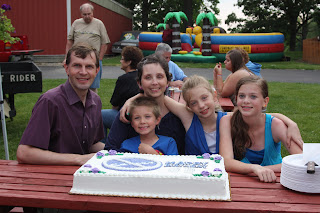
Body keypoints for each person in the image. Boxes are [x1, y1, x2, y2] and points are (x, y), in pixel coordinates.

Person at [17, 43, 105, 166]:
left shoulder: (96, 101)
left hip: (83, 175)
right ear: (66, 68)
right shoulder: (50, 101)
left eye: (89, 67)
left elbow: (92, 144)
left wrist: (117, 153)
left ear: (97, 71)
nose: (83, 72)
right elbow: (24, 153)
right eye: (77, 66)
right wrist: (78, 159)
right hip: (52, 176)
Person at [219, 76, 303, 183]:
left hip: (275, 184)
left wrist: (264, 170)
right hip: (240, 185)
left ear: (265, 101)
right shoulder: (227, 122)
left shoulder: (275, 125)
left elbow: (301, 160)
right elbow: (226, 161)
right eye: (241, 96)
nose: (246, 101)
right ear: (236, 99)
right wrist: (254, 168)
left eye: (253, 96)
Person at [105, 54, 186, 155]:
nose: (154, 82)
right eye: (148, 77)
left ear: (168, 82)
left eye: (159, 76)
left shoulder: (177, 117)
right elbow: (110, 149)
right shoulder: (129, 112)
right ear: (139, 83)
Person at [164, 75, 227, 155]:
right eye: (194, 103)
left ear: (214, 96)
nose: (201, 105)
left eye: (204, 98)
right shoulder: (189, 120)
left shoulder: (227, 119)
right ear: (189, 107)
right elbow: (162, 98)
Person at [100, 46, 143, 142]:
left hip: (126, 117)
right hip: (140, 115)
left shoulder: (123, 79)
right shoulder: (141, 76)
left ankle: (103, 145)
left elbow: (115, 104)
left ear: (129, 62)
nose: (120, 61)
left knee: (100, 116)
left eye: (122, 59)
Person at [65, 3, 110, 93]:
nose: (87, 16)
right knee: (75, 85)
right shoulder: (76, 23)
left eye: (89, 14)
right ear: (81, 14)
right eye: (84, 14)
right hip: (77, 59)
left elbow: (105, 43)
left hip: (93, 60)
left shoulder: (99, 24)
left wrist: (99, 59)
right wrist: (67, 58)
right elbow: (69, 41)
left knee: (92, 87)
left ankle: (93, 105)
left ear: (93, 13)